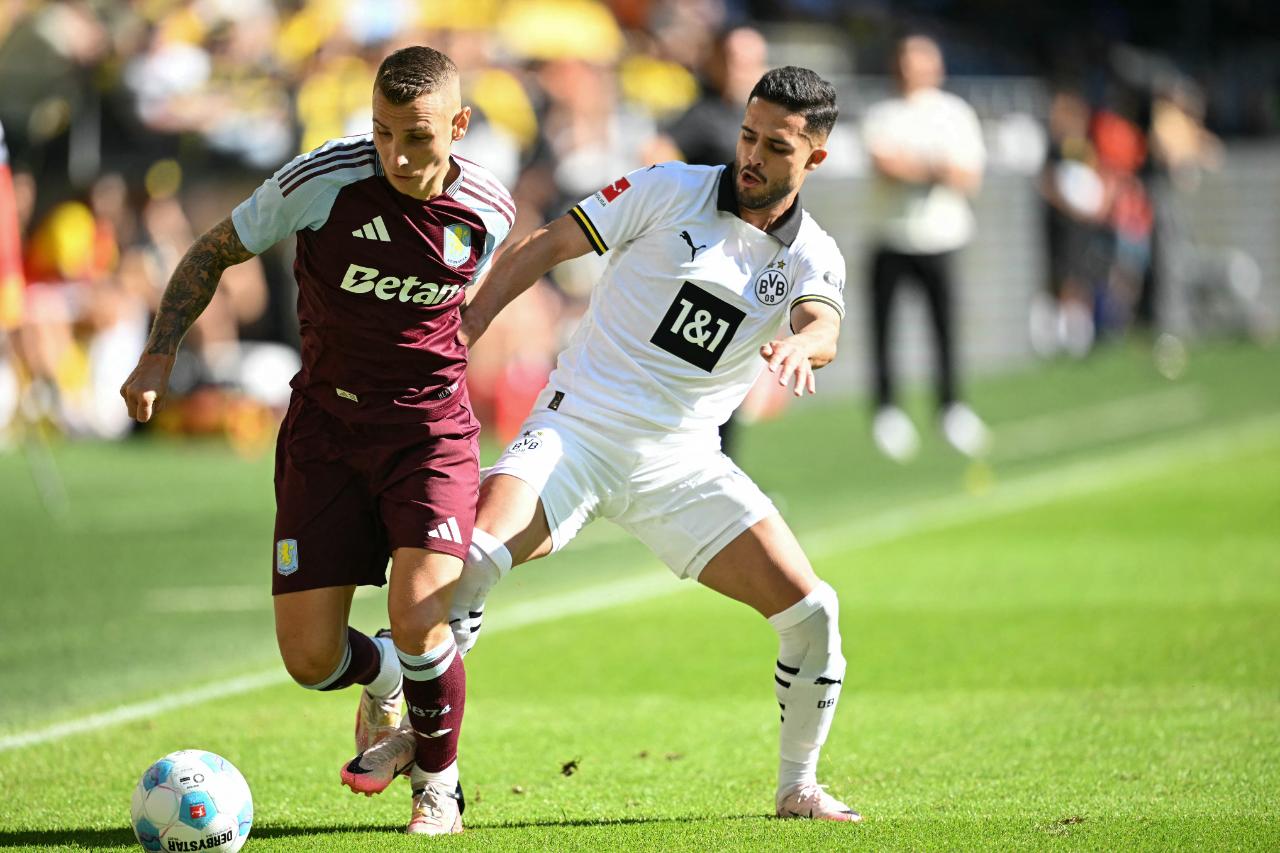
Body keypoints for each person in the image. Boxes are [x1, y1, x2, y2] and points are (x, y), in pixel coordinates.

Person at [345, 65, 861, 823]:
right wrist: (467, 329)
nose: (751, 155)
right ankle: (406, 718)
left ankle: (799, 787)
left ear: (813, 158)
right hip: (577, 429)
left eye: (775, 147)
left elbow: (824, 325)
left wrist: (802, 348)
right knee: (472, 561)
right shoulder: (666, 187)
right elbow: (546, 246)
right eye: (748, 135)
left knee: (814, 612)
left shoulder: (812, 254)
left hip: (681, 462)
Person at [119, 46, 514, 836]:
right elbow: (212, 252)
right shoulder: (322, 181)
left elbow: (468, 300)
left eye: (419, 136)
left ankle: (439, 785)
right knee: (310, 659)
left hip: (429, 432)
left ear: (459, 127)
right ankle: (391, 673)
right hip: (326, 433)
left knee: (419, 608)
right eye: (382, 133)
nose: (397, 155)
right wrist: (159, 352)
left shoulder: (488, 210)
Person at [862, 34, 989, 462]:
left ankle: (951, 407)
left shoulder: (955, 113)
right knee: (884, 331)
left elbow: (967, 175)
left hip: (942, 239)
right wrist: (935, 168)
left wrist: (915, 167)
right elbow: (885, 164)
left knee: (945, 329)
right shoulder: (882, 113)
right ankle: (887, 411)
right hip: (891, 237)